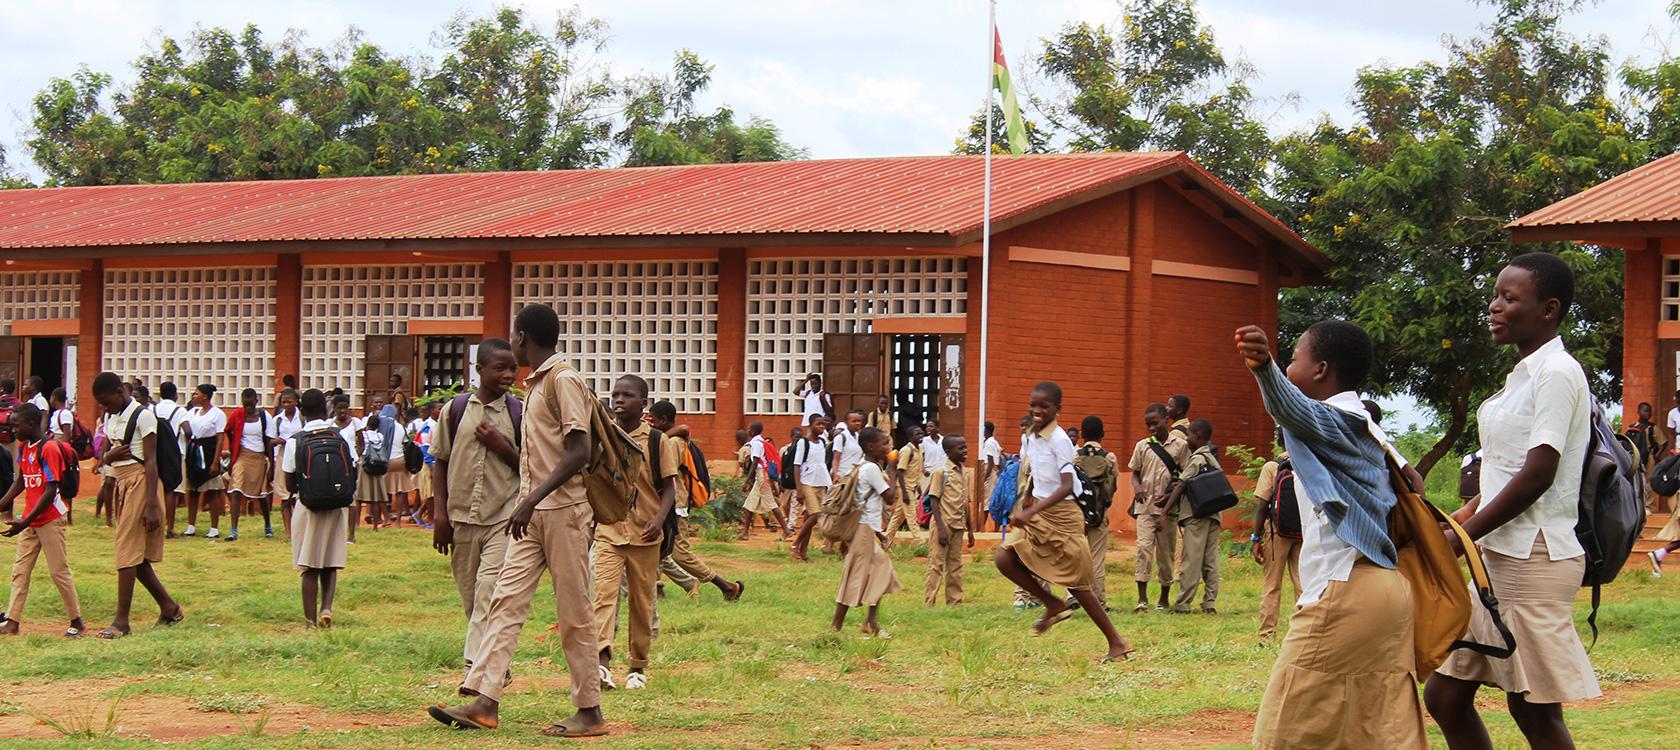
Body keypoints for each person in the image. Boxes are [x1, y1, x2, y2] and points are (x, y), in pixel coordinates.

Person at [1426, 252, 1601, 748]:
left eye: (1509, 298)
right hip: (1498, 559)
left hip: (1533, 558)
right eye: (1495, 295)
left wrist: (1462, 537)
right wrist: (1462, 518)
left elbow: (1538, 473)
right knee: (1445, 697)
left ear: (1548, 309)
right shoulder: (1523, 375)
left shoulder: (1557, 373)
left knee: (1534, 710)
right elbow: (1507, 471)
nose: (1494, 306)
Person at [1235, 321, 1424, 748]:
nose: (1289, 364)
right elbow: (1415, 484)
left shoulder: (1335, 420)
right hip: (1387, 592)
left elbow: (1294, 410)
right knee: (1377, 732)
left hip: (1346, 591)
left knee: (1282, 734)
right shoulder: (1369, 427)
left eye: (1294, 358)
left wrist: (1266, 367)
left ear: (1320, 370)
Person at [428, 304, 607, 738]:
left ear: (524, 337)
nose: (511, 341)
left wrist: (531, 499)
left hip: (562, 512)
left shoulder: (563, 381)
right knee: (504, 601)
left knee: (574, 613)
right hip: (532, 514)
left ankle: (589, 711)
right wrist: (529, 504)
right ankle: (485, 701)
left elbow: (578, 451)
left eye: (513, 335)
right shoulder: (538, 385)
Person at [994, 381, 1133, 661]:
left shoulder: (1058, 439)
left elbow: (1067, 485)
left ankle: (1117, 643)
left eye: (1044, 406)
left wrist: (1032, 511)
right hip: (1040, 511)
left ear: (1057, 409)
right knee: (1004, 559)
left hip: (1064, 515)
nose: (1037, 410)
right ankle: (1053, 605)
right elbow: (1036, 471)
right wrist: (1030, 499)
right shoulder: (1031, 437)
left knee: (1078, 585)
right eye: (1033, 404)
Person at [431, 339, 522, 673]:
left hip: (504, 516)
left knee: (489, 591)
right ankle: (495, 660)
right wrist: (440, 515)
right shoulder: (455, 410)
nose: (508, 374)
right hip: (460, 518)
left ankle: (477, 670)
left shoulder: (517, 413)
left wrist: (500, 446)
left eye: (512, 367)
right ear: (479, 370)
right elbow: (439, 461)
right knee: (471, 597)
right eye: (500, 368)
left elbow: (528, 467)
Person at [593, 376, 680, 691]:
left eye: (627, 395)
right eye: (615, 394)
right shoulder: (604, 435)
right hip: (609, 531)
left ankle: (637, 667)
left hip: (645, 534)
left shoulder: (657, 441)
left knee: (642, 604)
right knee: (603, 597)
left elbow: (670, 487)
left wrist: (659, 518)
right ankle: (601, 664)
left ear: (643, 404)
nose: (619, 400)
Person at [92, 372, 184, 639]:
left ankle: (122, 622)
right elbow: (104, 456)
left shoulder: (143, 415)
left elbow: (152, 461)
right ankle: (170, 608)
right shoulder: (111, 417)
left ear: (120, 392)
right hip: (122, 482)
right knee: (137, 556)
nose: (103, 407)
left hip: (142, 482)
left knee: (125, 551)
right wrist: (108, 456)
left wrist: (153, 505)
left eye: (105, 401)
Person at [0, 404, 86, 638]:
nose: (13, 429)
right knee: (20, 571)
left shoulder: (48, 449)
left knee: (58, 571)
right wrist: (2, 504)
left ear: (30, 424)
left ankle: (76, 621)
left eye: (16, 425)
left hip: (49, 518)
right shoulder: (24, 446)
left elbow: (50, 490)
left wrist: (25, 521)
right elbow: (21, 481)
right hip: (30, 519)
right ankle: (12, 621)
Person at [649, 401, 744, 601]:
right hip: (671, 504)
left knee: (679, 553)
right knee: (656, 547)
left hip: (675, 505)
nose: (651, 424)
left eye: (654, 420)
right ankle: (657, 590)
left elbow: (665, 473)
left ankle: (726, 586)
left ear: (664, 420)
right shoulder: (675, 439)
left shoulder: (673, 443)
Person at [281, 389, 349, 628]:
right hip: (336, 505)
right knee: (330, 562)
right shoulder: (341, 436)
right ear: (325, 410)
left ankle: (309, 622)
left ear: (301, 412)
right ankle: (326, 608)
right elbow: (352, 470)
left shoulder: (295, 440)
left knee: (308, 565)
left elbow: (289, 482)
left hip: (308, 506)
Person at [832, 426, 900, 636]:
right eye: (885, 443)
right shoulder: (870, 469)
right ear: (872, 447)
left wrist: (879, 533)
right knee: (855, 575)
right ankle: (837, 626)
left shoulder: (863, 466)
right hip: (862, 531)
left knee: (880, 570)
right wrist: (893, 468)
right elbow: (890, 497)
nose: (889, 447)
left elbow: (867, 505)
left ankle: (870, 622)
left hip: (865, 528)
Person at [1128, 403, 1188, 612]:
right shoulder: (1142, 446)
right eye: (1148, 425)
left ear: (1166, 420)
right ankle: (1142, 599)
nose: (1152, 428)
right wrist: (1136, 488)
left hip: (1168, 511)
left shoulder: (1180, 446)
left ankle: (1163, 598)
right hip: (1144, 507)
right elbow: (1135, 472)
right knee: (1143, 549)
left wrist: (1168, 503)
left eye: (1155, 423)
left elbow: (1184, 480)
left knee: (1165, 554)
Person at [1164, 419, 1223, 615]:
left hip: (1196, 515)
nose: (1187, 438)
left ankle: (1183, 603)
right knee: (1210, 560)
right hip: (1214, 514)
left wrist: (1164, 512)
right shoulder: (1213, 458)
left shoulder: (1197, 459)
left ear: (1197, 435)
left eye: (1188, 434)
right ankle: (1210, 603)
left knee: (1191, 559)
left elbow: (1182, 484)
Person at [1250, 436, 1302, 645]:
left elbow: (1262, 505)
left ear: (1280, 441)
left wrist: (1256, 538)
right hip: (1303, 533)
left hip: (1276, 533)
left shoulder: (1272, 467)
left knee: (1272, 585)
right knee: (1302, 585)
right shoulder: (1308, 463)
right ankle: (1302, 636)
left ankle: (1266, 637)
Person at [1073, 415, 1120, 611]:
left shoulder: (1075, 457)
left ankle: (1073, 596)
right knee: (1097, 559)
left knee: (1077, 556)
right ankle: (1099, 601)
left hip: (1077, 514)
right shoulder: (1109, 458)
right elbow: (1113, 487)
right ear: (1102, 434)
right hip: (1100, 515)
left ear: (1082, 435)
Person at [924, 434, 974, 606]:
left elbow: (965, 503)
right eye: (960, 448)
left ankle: (955, 602)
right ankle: (929, 602)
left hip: (959, 525)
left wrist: (971, 530)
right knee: (936, 564)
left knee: (955, 566)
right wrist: (941, 528)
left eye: (965, 446)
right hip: (943, 525)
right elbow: (934, 500)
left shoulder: (965, 473)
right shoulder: (941, 472)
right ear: (948, 451)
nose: (965, 451)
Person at [225, 388, 278, 540]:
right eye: (245, 404)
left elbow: (269, 441)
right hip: (242, 455)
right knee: (236, 489)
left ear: (256, 401)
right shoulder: (237, 415)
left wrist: (271, 466)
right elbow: (228, 430)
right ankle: (233, 530)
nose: (247, 408)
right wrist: (232, 455)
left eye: (250, 404)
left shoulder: (264, 416)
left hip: (259, 456)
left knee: (261, 494)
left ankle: (267, 525)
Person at [183, 384, 229, 540]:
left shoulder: (218, 414)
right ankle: (191, 525)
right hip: (194, 452)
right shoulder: (193, 412)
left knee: (212, 490)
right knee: (192, 489)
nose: (194, 396)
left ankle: (214, 527)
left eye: (196, 394)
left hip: (208, 452)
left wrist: (216, 461)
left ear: (205, 396)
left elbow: (220, 438)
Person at [788, 416, 834, 562]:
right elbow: (796, 465)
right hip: (807, 482)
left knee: (810, 517)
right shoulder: (803, 442)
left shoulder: (822, 442)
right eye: (818, 424)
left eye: (823, 424)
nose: (822, 427)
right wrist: (799, 489)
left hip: (820, 482)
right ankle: (795, 544)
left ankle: (804, 551)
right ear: (810, 425)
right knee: (816, 514)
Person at [152, 383, 191, 538]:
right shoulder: (180, 411)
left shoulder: (152, 409)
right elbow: (188, 430)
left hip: (155, 453)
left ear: (160, 395)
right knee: (172, 490)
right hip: (175, 453)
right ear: (175, 395)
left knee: (156, 489)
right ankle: (169, 527)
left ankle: (157, 525)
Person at [738, 423, 786, 540]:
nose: (748, 430)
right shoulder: (760, 442)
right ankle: (745, 532)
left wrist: (747, 481)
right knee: (749, 504)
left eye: (749, 428)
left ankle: (787, 529)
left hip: (761, 476)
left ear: (753, 431)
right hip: (761, 475)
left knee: (771, 504)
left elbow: (755, 462)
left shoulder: (756, 444)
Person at [272, 389, 304, 538]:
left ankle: (299, 529)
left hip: (300, 456)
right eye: (283, 402)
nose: (286, 404)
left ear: (296, 402)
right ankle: (288, 531)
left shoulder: (302, 419)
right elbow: (270, 440)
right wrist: (276, 441)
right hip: (283, 455)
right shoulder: (278, 420)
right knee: (284, 495)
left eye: (289, 401)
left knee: (297, 496)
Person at [885, 425, 925, 542]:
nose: (920, 436)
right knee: (912, 516)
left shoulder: (920, 449)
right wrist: (905, 493)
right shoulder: (907, 450)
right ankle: (919, 541)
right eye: (917, 434)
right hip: (905, 487)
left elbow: (917, 470)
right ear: (910, 437)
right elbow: (900, 471)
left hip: (913, 486)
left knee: (898, 516)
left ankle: (887, 538)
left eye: (921, 433)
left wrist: (919, 488)